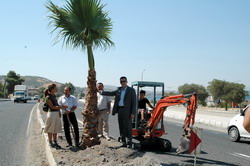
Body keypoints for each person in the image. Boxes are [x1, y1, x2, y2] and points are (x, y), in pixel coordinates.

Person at [101, 76, 136, 148]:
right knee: (121, 126)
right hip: (120, 110)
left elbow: (134, 102)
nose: (123, 83)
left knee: (128, 127)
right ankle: (123, 142)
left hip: (128, 111)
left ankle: (129, 143)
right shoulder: (118, 90)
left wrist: (133, 113)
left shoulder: (131, 90)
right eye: (121, 81)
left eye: (124, 81)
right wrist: (101, 92)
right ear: (120, 82)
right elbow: (111, 93)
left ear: (127, 82)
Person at [44, 84, 68, 148]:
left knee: (55, 129)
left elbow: (56, 105)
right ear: (52, 89)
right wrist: (62, 107)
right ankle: (50, 142)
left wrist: (59, 112)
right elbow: (52, 107)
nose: (56, 89)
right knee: (51, 129)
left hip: (56, 114)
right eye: (55, 88)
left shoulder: (54, 96)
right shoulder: (48, 97)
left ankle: (55, 141)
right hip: (52, 114)